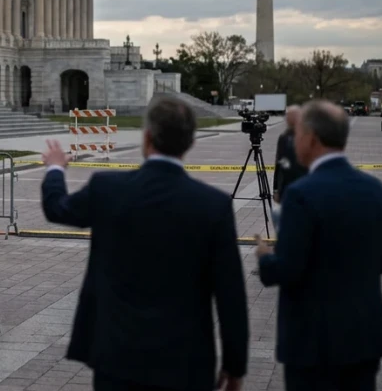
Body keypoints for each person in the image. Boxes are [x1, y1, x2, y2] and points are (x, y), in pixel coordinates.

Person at [40, 97, 248, 391]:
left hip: (118, 357)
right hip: (185, 362)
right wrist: (235, 364)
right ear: (190, 142)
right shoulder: (213, 205)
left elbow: (58, 208)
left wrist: (55, 170)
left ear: (147, 137)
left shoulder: (107, 188)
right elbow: (230, 294)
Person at [254, 101, 382, 391]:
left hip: (314, 344)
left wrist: (266, 258)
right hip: (363, 339)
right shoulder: (374, 189)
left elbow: (288, 269)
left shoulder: (302, 195)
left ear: (313, 139)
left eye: (299, 134)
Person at [272, 105, 307, 203]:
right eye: (288, 116)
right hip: (286, 188)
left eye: (292, 117)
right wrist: (276, 189)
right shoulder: (283, 138)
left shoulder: (308, 137)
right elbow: (279, 164)